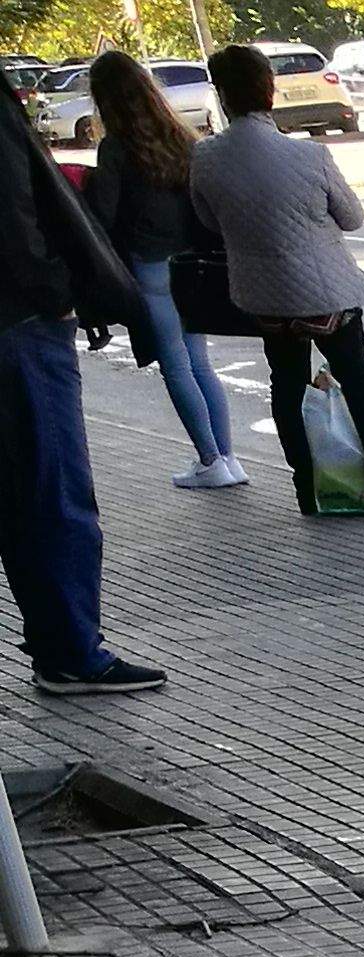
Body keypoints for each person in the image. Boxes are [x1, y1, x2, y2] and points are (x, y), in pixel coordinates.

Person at [187, 41, 364, 519]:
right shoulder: (309, 157)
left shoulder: (206, 159)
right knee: (359, 381)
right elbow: (353, 216)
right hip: (327, 295)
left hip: (263, 297)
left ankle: (308, 486)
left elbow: (207, 220)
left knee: (286, 384)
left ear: (222, 95)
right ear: (269, 90)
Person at [0, 73, 163, 691]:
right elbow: (11, 214)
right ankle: (71, 648)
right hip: (18, 321)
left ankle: (61, 645)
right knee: (52, 489)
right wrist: (57, 294)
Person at [75, 51, 239, 490]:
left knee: (175, 365)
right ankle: (227, 455)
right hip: (189, 266)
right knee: (199, 363)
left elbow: (103, 215)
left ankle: (209, 460)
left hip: (149, 267)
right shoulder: (180, 138)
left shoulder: (116, 149)